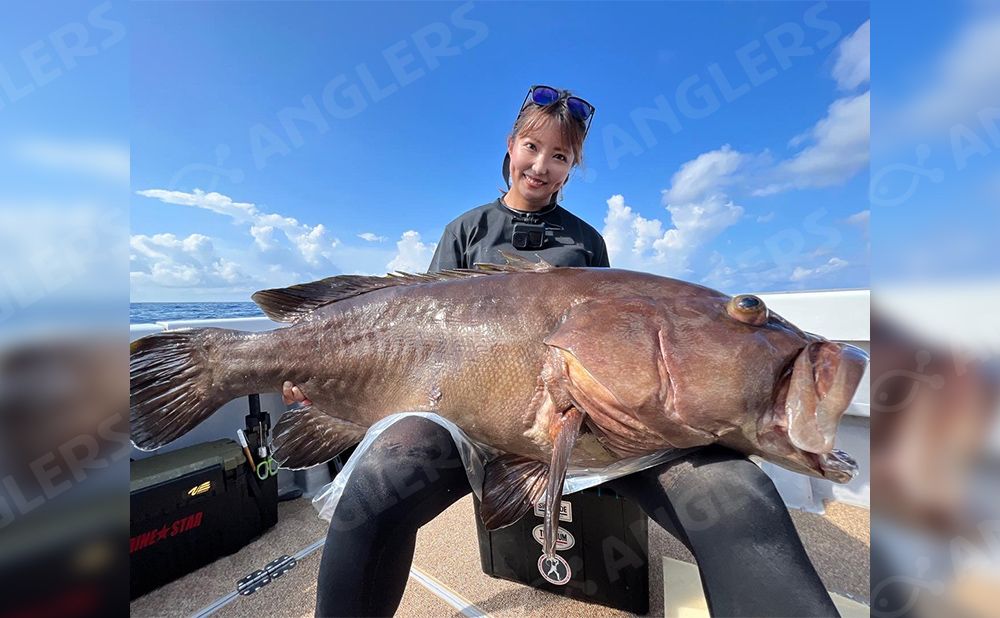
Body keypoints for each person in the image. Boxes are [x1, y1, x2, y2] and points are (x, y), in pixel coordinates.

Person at [286, 85, 841, 617]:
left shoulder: (587, 241)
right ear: (511, 147)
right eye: (531, 147)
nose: (541, 164)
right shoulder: (465, 229)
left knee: (739, 497)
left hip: (610, 424)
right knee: (383, 478)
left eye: (560, 155)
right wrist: (320, 380)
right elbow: (418, 327)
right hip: (464, 420)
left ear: (572, 166)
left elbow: (617, 338)